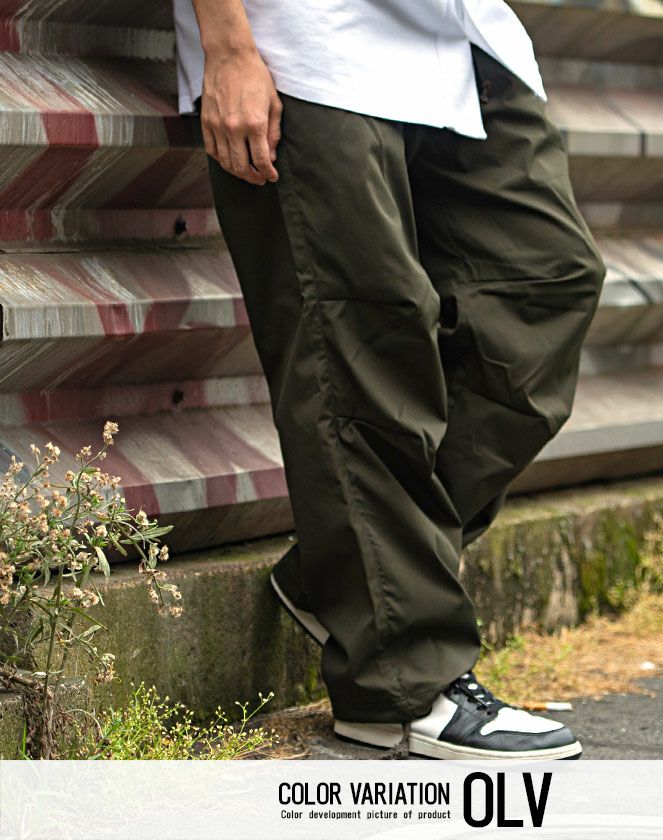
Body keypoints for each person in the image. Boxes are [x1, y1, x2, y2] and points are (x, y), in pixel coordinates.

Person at [175, 0, 606, 760]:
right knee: (364, 351)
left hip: (461, 34)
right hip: (308, 43)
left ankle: (345, 575)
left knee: (546, 284)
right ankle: (401, 687)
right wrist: (230, 46)